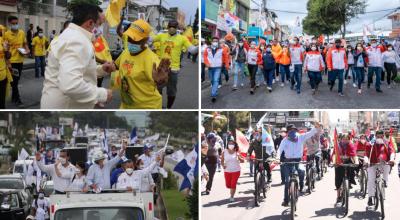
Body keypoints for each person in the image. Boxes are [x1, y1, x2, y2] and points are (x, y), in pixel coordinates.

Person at [40, 2, 115, 109]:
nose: (99, 29)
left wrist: (100, 69)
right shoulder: (78, 41)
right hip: (66, 106)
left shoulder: (69, 36)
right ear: (90, 23)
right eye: (99, 24)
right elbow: (71, 85)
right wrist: (102, 94)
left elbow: (73, 70)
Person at [113, 19, 170, 109]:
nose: (132, 42)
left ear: (146, 40)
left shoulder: (152, 60)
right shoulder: (126, 52)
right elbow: (115, 65)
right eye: (130, 38)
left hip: (146, 108)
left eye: (136, 40)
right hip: (126, 105)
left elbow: (160, 80)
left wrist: (161, 82)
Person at [153, 20, 197, 109]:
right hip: (161, 68)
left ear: (177, 28)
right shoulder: (161, 35)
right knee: (158, 89)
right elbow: (150, 40)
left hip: (173, 69)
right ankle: (159, 107)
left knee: (171, 91)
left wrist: (199, 47)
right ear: (167, 27)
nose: (171, 28)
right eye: (170, 26)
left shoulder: (182, 38)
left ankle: (169, 108)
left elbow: (192, 50)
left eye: (173, 27)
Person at [278, 122, 321, 206]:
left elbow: (311, 133)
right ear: (287, 133)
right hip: (287, 162)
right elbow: (279, 150)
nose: (292, 132)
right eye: (290, 131)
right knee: (287, 182)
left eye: (293, 130)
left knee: (301, 171)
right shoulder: (285, 140)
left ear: (296, 131)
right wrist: (276, 158)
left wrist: (316, 127)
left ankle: (301, 186)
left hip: (298, 160)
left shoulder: (301, 137)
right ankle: (286, 200)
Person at [4, 15, 30, 107]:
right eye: (13, 24)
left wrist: (27, 50)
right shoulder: (6, 34)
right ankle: (18, 100)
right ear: (9, 24)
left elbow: (25, 43)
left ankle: (13, 97)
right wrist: (8, 62)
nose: (15, 25)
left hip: (20, 60)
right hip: (12, 61)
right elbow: (5, 49)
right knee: (14, 81)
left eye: (16, 23)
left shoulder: (22, 33)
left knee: (16, 80)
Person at [364, 130, 395, 206]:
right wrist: (366, 161)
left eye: (381, 135)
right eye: (378, 135)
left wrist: (391, 159)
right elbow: (366, 155)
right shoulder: (370, 144)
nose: (379, 137)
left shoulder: (387, 143)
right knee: (371, 180)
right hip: (372, 164)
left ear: (383, 136)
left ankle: (384, 181)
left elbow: (392, 152)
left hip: (384, 163)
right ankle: (371, 197)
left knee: (387, 167)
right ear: (375, 136)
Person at [332, 134, 358, 204]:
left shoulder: (351, 145)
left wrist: (356, 162)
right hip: (339, 163)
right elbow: (334, 155)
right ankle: (338, 196)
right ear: (341, 139)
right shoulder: (338, 146)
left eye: (347, 139)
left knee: (351, 171)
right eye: (344, 139)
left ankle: (348, 185)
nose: (345, 140)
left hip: (348, 162)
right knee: (338, 179)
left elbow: (354, 155)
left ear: (349, 139)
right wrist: (334, 162)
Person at [203, 37, 229, 103]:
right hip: (210, 67)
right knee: (212, 80)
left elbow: (226, 57)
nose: (215, 42)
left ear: (218, 42)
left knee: (216, 80)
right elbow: (205, 56)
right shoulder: (207, 49)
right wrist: (207, 63)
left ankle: (213, 94)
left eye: (216, 41)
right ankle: (215, 90)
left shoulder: (221, 49)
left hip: (218, 67)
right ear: (211, 42)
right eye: (214, 41)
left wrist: (227, 65)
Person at [221, 138, 243, 202]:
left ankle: (231, 196)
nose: (231, 144)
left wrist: (239, 157)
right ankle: (232, 192)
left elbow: (242, 161)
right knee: (228, 185)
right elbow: (222, 161)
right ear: (227, 144)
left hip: (236, 170)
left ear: (234, 145)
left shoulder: (237, 151)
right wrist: (223, 165)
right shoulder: (224, 151)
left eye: (232, 143)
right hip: (227, 171)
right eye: (229, 143)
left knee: (233, 184)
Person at [0, 29, 12, 109]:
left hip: (2, 74)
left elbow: (8, 56)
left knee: (2, 98)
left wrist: (6, 49)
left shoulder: (1, 41)